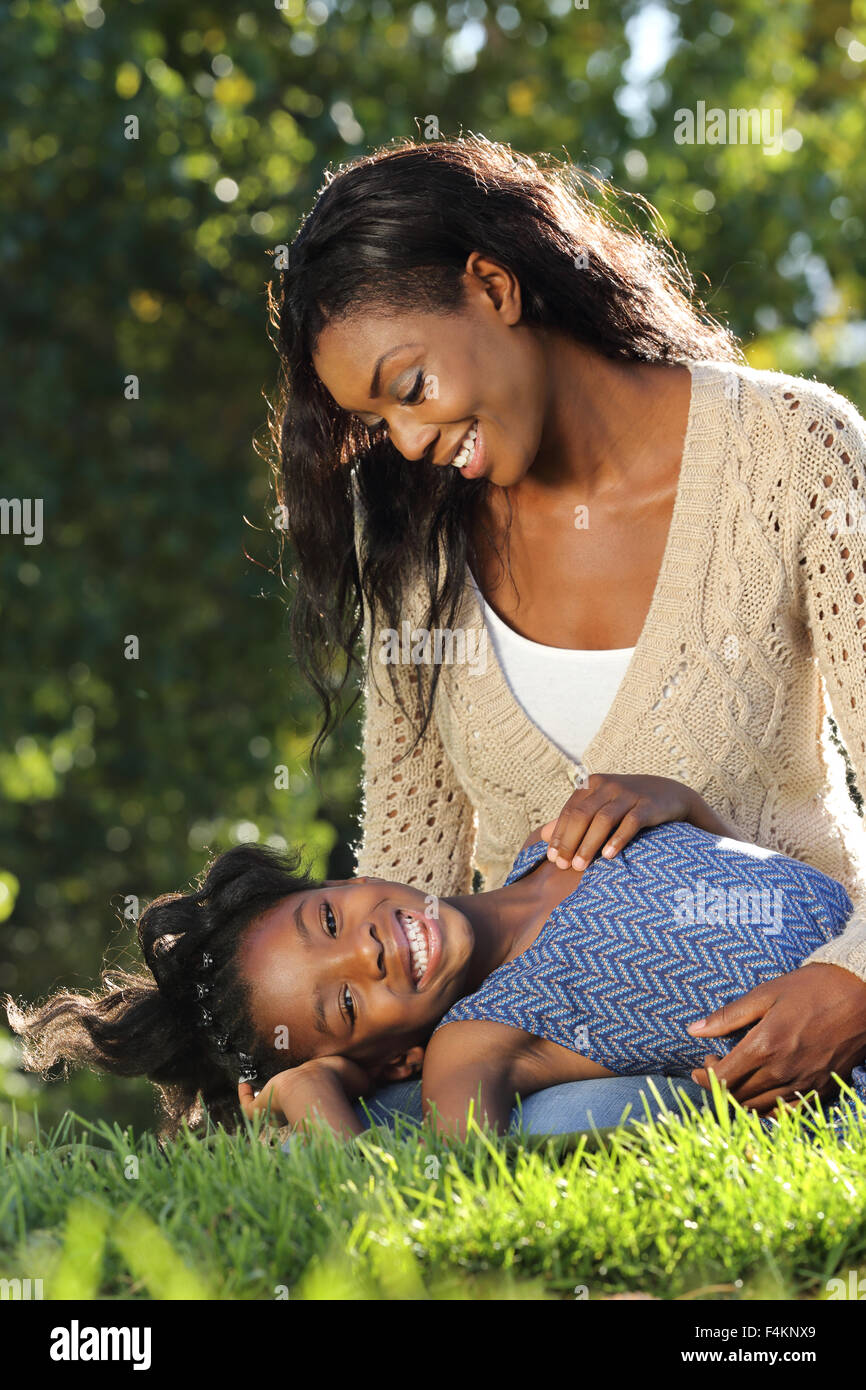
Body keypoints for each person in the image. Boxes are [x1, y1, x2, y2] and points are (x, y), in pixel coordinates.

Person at [268, 134, 866, 1131]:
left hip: (799, 1004)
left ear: (492, 286)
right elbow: (405, 882)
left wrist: (849, 982)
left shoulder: (793, 452)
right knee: (552, 1118)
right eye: (377, 423)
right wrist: (337, 1050)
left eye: (407, 387)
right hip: (548, 1054)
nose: (409, 442)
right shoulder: (420, 558)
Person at [7, 810, 862, 1144]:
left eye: (329, 921)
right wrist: (323, 1105)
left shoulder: (560, 832)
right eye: (344, 1004)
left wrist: (676, 800)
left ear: (339, 881)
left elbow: (737, 865)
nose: (366, 951)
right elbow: (442, 1200)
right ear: (393, 1062)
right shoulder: (474, 1043)